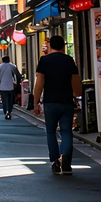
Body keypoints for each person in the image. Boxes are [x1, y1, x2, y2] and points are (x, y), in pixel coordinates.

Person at [33, 34, 81, 175]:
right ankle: (65, 159)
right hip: (66, 101)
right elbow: (76, 86)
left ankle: (55, 161)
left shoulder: (44, 60)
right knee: (66, 131)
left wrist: (35, 103)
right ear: (63, 46)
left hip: (50, 102)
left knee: (50, 131)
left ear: (50, 46)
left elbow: (39, 83)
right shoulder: (69, 60)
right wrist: (76, 94)